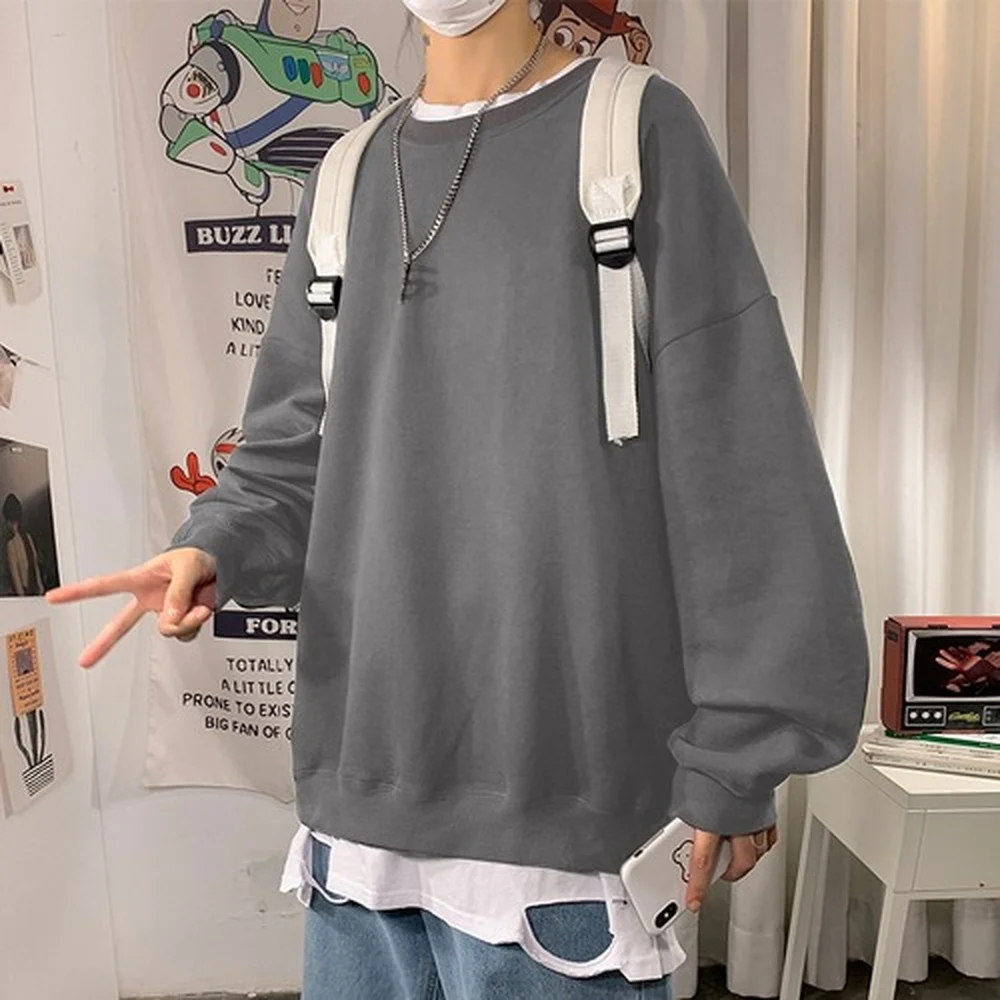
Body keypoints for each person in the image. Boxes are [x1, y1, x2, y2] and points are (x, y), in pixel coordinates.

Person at [45, 1, 870, 996]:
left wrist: (740, 749)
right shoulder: (345, 175)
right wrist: (213, 544)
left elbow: (739, 465)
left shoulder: (632, 131)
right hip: (360, 818)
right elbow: (289, 452)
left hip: (566, 819)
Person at [3, 492, 44, 597]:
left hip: (26, 591)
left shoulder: (11, 545)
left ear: (8, 521)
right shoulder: (28, 538)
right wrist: (40, 587)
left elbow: (16, 578)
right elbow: (35, 565)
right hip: (34, 589)